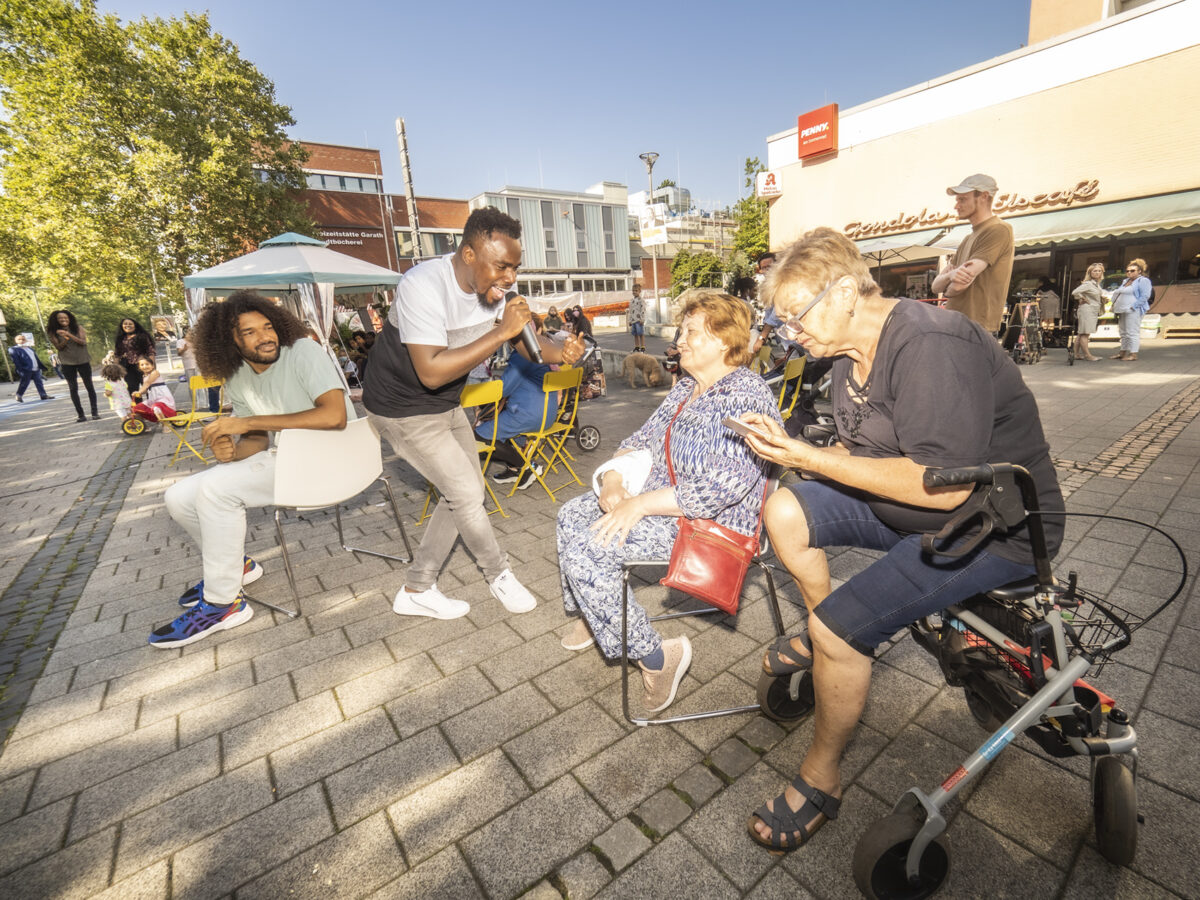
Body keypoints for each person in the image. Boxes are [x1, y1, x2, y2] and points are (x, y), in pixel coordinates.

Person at [737, 228, 1063, 853]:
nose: (790, 333)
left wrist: (808, 454)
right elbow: (864, 453)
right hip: (913, 509)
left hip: (997, 526)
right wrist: (789, 448)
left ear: (841, 293)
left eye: (794, 317)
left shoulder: (929, 342)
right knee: (784, 510)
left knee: (840, 627)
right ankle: (828, 639)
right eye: (781, 323)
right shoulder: (843, 356)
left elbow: (940, 489)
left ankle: (822, 776)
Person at [557, 289, 782, 713]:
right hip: (664, 505)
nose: (679, 339)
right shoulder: (687, 388)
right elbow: (638, 440)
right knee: (571, 515)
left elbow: (722, 486)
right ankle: (596, 610)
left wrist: (638, 505)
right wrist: (612, 481)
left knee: (589, 550)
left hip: (706, 524)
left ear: (722, 339)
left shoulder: (746, 396)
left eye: (691, 331)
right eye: (682, 329)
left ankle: (659, 658)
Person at [362, 207, 584, 620]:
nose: (510, 277)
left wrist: (562, 352)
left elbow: (530, 348)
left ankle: (417, 588)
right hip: (400, 407)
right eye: (501, 266)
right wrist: (499, 330)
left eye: (515, 267)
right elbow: (429, 372)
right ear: (468, 255)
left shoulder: (497, 298)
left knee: (464, 492)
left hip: (446, 403)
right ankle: (498, 573)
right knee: (465, 492)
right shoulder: (423, 285)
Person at [150, 291, 353, 648]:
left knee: (216, 493)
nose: (265, 336)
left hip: (336, 460)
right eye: (249, 332)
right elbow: (257, 442)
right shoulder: (238, 376)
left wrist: (243, 422)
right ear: (228, 340)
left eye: (268, 326)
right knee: (178, 495)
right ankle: (237, 568)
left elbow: (334, 416)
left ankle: (222, 603)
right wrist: (229, 453)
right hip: (289, 458)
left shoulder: (303, 351)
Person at [930, 174, 1014, 333]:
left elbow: (957, 286)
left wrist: (948, 282)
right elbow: (935, 286)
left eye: (962, 199)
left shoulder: (998, 230)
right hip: (956, 324)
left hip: (975, 328)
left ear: (983, 197)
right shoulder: (968, 239)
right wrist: (950, 276)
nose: (956, 206)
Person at [479, 321, 554, 490]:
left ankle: (525, 466)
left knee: (478, 437)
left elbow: (503, 389)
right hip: (547, 415)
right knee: (502, 427)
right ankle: (514, 469)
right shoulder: (538, 350)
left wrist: (488, 386)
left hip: (528, 414)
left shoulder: (522, 355)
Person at [1109, 258, 1152, 361]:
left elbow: (1145, 296)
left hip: (1133, 310)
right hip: (1122, 309)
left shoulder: (1143, 280)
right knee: (1123, 332)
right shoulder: (1126, 281)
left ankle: (1133, 354)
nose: (1129, 272)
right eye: (1127, 271)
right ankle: (1122, 352)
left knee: (1132, 332)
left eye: (1132, 270)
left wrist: (1133, 306)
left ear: (1139, 271)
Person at [178, 327, 220, 412]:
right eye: (189, 332)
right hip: (188, 366)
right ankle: (195, 404)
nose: (191, 334)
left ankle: (205, 403)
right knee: (192, 385)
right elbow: (179, 353)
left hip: (199, 365)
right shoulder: (180, 341)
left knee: (204, 384)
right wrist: (184, 349)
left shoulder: (195, 341)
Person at [1070, 263, 1107, 361]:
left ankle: (1076, 354)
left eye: (1099, 271)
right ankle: (1088, 355)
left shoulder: (1096, 284)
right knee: (1085, 333)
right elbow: (1074, 292)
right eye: (1095, 271)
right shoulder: (1088, 284)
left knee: (1081, 333)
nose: (1097, 272)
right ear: (1090, 273)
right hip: (1087, 310)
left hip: (1091, 310)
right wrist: (1082, 298)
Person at [129, 357, 177, 429]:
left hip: (162, 397)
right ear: (139, 367)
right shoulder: (144, 376)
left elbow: (148, 383)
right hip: (153, 398)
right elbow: (146, 389)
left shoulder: (155, 373)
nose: (145, 366)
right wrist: (139, 393)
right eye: (142, 365)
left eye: (147, 364)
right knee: (136, 408)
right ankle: (143, 426)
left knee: (156, 408)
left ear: (153, 366)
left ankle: (166, 425)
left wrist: (139, 391)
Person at [114, 318, 155, 396]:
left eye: (130, 324)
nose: (127, 326)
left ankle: (152, 406)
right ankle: (137, 407)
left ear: (135, 325)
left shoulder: (142, 336)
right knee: (132, 390)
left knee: (149, 388)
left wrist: (151, 366)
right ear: (122, 326)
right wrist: (115, 369)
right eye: (125, 324)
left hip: (143, 366)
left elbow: (151, 352)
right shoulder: (120, 338)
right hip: (128, 368)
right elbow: (117, 354)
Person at [9, 334, 55, 402]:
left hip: (36, 368)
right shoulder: (14, 349)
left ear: (26, 340)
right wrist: (20, 370)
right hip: (26, 369)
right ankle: (19, 395)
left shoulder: (29, 348)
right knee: (24, 383)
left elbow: (35, 358)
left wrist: (39, 366)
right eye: (19, 339)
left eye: (23, 339)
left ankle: (43, 395)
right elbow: (16, 361)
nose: (21, 340)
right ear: (15, 341)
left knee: (39, 382)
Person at [628, 285, 647, 353]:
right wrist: (629, 320)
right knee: (635, 334)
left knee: (640, 334)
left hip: (639, 320)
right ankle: (637, 347)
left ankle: (643, 347)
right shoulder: (632, 301)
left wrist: (642, 319)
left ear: (639, 291)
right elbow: (630, 311)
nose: (634, 292)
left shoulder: (641, 300)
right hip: (633, 320)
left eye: (636, 291)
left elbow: (643, 310)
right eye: (633, 291)